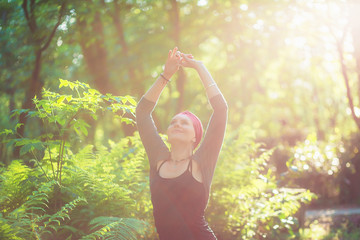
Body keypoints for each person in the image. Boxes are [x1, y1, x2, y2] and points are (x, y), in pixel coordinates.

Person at [136, 47, 227, 240]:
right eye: (173, 122)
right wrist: (166, 75)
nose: (177, 124)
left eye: (184, 123)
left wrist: (200, 67)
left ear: (195, 136)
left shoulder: (202, 162)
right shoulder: (159, 158)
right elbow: (143, 112)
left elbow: (221, 110)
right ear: (167, 133)